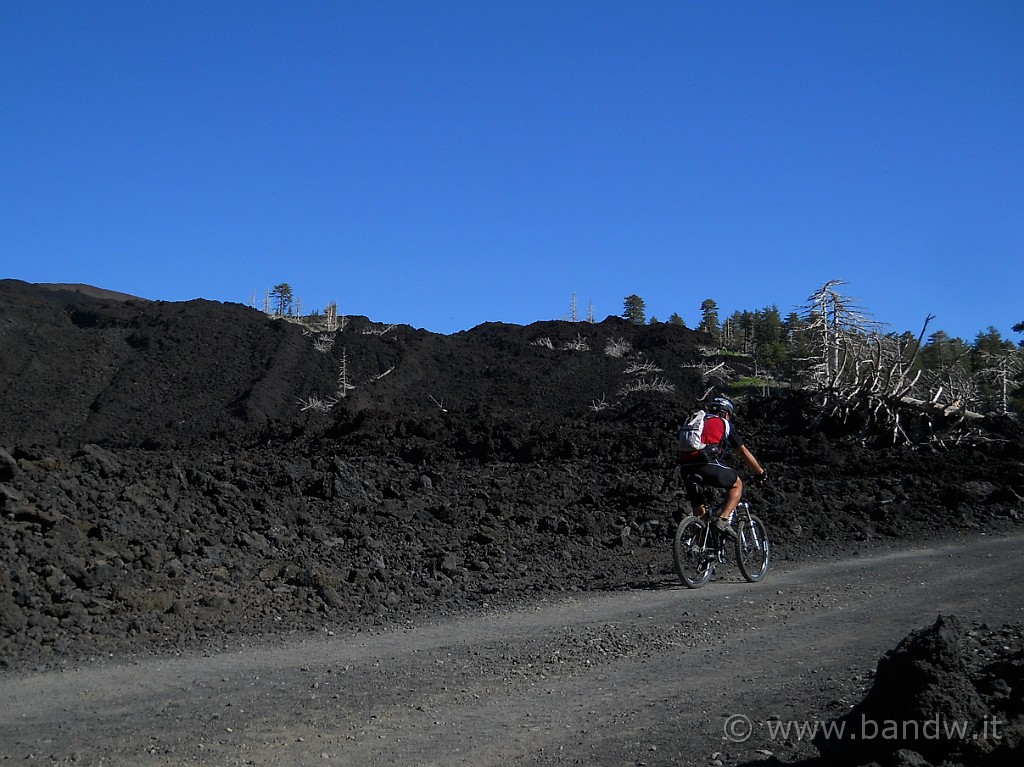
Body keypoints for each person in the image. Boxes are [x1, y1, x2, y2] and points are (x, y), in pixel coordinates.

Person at [677, 395, 767, 539]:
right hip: (707, 464)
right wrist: (760, 472)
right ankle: (723, 521)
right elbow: (743, 453)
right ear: (726, 413)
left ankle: (703, 551)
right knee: (737, 484)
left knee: (701, 515)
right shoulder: (724, 423)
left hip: (686, 468)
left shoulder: (695, 422)